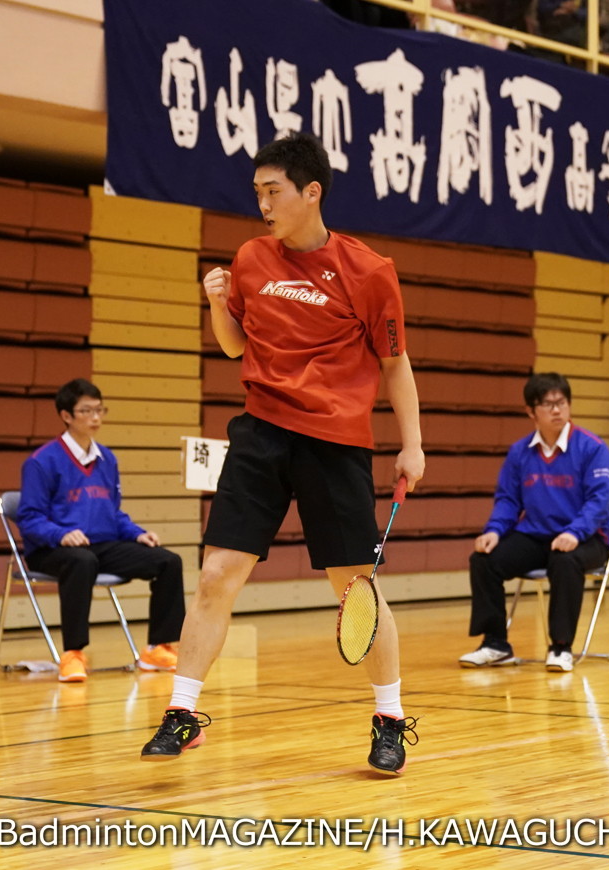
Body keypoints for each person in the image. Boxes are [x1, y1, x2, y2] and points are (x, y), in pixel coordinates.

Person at [138, 133, 426, 776]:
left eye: (274, 192)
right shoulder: (250, 258)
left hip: (336, 443)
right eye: (258, 192)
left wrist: (411, 444)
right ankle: (183, 714)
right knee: (216, 575)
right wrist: (217, 302)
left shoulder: (369, 272)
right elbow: (236, 347)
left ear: (311, 192)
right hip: (261, 433)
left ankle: (390, 720)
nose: (263, 203)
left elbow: (395, 363)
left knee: (355, 588)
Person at [18, 379, 187, 683]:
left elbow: (112, 513)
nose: (95, 417)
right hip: (51, 550)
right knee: (82, 561)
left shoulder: (107, 459)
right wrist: (60, 534)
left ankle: (158, 647)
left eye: (99, 410)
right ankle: (73, 653)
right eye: (86, 411)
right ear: (66, 416)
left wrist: (136, 533)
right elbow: (29, 518)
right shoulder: (42, 462)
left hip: (100, 545)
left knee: (167, 560)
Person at [459, 373, 609, 673]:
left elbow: (598, 503)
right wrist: (493, 530)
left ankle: (560, 647)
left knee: (565, 560)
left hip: (587, 538)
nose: (557, 410)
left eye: (562, 403)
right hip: (536, 535)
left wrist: (574, 531)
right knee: (484, 560)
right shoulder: (520, 452)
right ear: (531, 411)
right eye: (548, 404)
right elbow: (508, 500)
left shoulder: (593, 448)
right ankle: (495, 643)